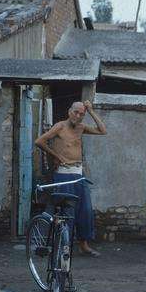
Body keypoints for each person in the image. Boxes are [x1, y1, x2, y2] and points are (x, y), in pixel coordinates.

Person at [35, 100, 106, 257]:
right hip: (63, 174)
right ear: (69, 112)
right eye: (76, 112)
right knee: (67, 211)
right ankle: (62, 245)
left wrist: (91, 111)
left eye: (82, 114)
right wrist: (56, 155)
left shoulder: (81, 128)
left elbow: (102, 130)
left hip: (79, 174)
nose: (78, 116)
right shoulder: (60, 126)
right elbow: (39, 141)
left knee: (85, 210)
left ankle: (84, 245)